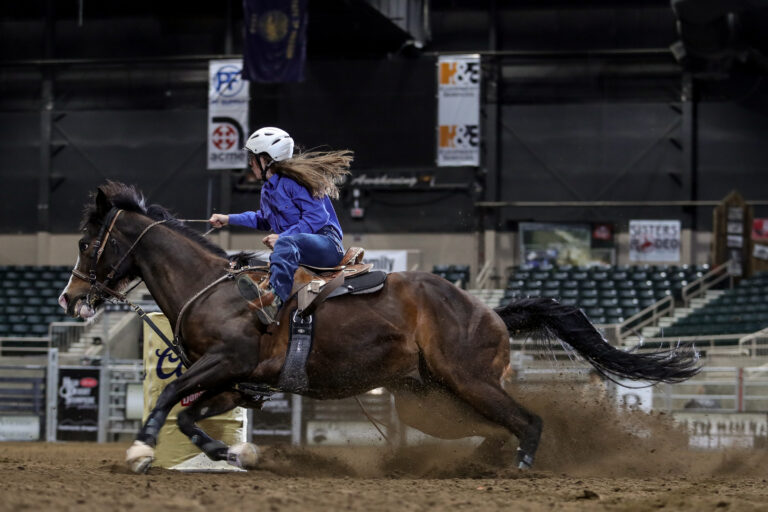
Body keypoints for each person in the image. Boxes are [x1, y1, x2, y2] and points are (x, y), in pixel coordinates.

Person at [209, 127, 352, 324]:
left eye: (253, 157)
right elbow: (263, 219)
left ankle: (274, 302)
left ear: (266, 160)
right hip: (296, 247)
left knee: (284, 246)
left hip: (327, 244)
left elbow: (317, 218)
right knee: (280, 251)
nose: (250, 163)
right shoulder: (267, 190)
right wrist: (228, 218)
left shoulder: (295, 182)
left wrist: (283, 237)